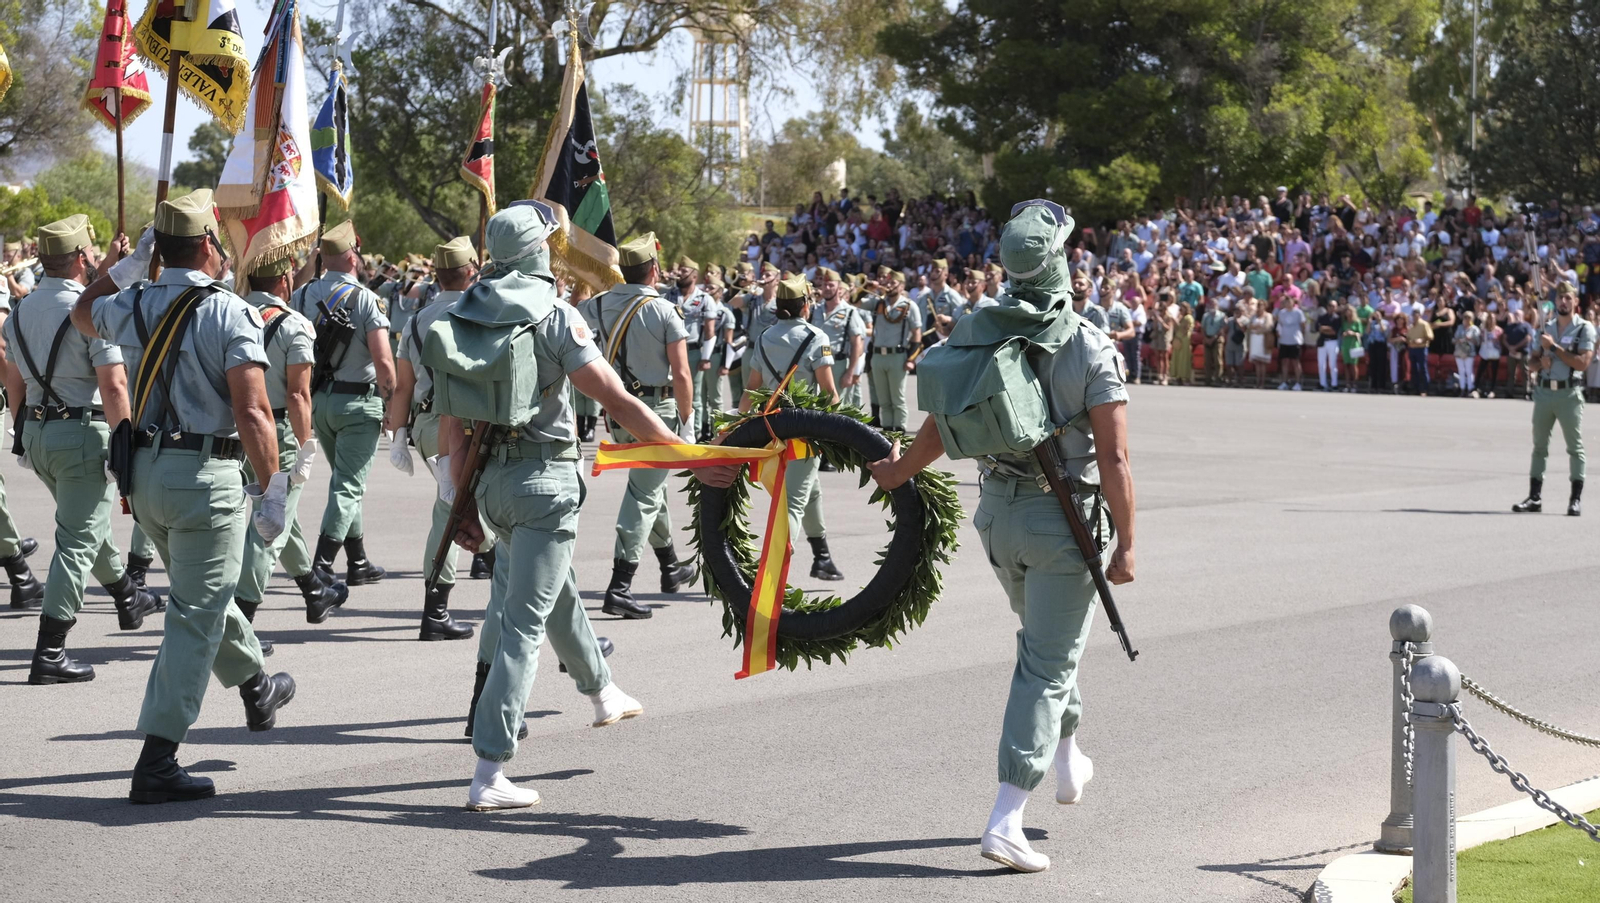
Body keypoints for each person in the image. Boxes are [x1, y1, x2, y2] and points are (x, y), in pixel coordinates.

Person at [865, 202, 1135, 873]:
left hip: (997, 519)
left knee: (1046, 644)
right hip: (1063, 524)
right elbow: (1115, 459)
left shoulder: (979, 326)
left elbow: (941, 415)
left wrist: (899, 469)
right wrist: (1128, 544)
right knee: (1044, 662)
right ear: (1064, 263)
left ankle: (1068, 756)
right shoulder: (1089, 345)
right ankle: (1007, 816)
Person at [70, 189, 295, 803]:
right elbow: (252, 412)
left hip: (146, 479)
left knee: (204, 592)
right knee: (194, 614)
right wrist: (273, 486)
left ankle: (255, 685)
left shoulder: (133, 301)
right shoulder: (230, 312)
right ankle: (158, 760)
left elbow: (82, 316)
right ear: (206, 245)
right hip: (205, 480)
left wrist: (121, 267)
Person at [430, 204, 655, 811]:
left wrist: (459, 499)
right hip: (545, 482)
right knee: (520, 626)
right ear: (539, 253)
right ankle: (489, 770)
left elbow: (454, 422)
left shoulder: (466, 310)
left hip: (491, 483)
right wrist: (681, 448)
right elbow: (615, 400)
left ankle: (601, 690)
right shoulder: (554, 314)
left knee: (549, 590)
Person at [3, 214, 161, 684]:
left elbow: (14, 380)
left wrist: (22, 435)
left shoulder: (20, 309)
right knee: (77, 537)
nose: (93, 261)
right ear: (77, 259)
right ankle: (50, 650)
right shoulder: (92, 309)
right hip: (82, 432)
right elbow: (114, 385)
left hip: (37, 431)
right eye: (90, 256)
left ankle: (127, 596)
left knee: (85, 526)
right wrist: (126, 441)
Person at [576, 232, 699, 619]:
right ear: (653, 270)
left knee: (650, 488)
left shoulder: (594, 306)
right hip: (656, 412)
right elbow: (681, 373)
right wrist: (688, 420)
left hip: (616, 412)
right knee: (644, 496)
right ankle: (620, 586)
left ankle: (669, 566)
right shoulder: (665, 311)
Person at [233, 257, 345, 653]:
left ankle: (313, 590)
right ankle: (240, 625)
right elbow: (298, 394)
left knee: (280, 513)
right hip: (278, 430)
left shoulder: (233, 314)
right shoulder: (294, 324)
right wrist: (307, 441)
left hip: (241, 427)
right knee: (270, 526)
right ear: (284, 279)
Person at [385, 236, 481, 641]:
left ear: (438, 277)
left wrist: (398, 433)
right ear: (473, 270)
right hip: (466, 426)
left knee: (466, 509)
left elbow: (403, 386)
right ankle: (435, 611)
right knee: (451, 512)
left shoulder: (417, 319)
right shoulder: (482, 312)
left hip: (426, 426)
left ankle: (484, 564)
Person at [290, 221, 394, 587]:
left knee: (344, 482)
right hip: (358, 403)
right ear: (354, 255)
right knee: (349, 485)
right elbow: (383, 361)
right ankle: (322, 563)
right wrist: (393, 404)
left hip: (319, 401)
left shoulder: (302, 297)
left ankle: (358, 560)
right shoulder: (366, 298)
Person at [742, 275, 845, 580]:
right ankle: (770, 577)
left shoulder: (764, 337)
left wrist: (738, 426)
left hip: (773, 429)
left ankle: (822, 557)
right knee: (794, 503)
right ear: (805, 305)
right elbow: (829, 393)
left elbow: (751, 389)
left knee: (809, 492)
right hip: (804, 430)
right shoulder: (816, 337)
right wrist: (840, 433)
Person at [1512, 283, 1592, 516]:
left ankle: (1575, 499)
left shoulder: (1584, 329)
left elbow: (1582, 363)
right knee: (1539, 446)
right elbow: (1531, 362)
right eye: (1560, 298)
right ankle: (1535, 497)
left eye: (1568, 298)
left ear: (1575, 302)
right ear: (1555, 302)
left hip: (1569, 394)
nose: (1563, 302)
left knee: (1575, 447)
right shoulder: (1546, 328)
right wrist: (1540, 363)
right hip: (1545, 393)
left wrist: (1554, 349)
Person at [869, 270, 921, 430]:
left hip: (897, 356)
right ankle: (887, 431)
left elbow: (917, 334)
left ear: (902, 286)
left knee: (897, 398)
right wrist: (870, 287)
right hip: (878, 356)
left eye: (893, 283)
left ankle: (899, 430)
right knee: (883, 399)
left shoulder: (909, 305)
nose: (889, 286)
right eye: (888, 282)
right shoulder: (879, 303)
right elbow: (855, 301)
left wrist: (911, 359)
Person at [808, 267, 866, 410]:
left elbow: (856, 344)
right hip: (815, 363)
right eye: (824, 285)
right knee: (816, 406)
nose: (827, 288)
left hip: (838, 364)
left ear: (839, 288)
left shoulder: (850, 312)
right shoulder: (815, 309)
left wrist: (850, 372)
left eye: (831, 285)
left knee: (837, 408)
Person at [1275, 295, 1305, 390]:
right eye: (1286, 302)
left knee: (1296, 362)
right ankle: (1284, 382)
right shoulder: (1281, 313)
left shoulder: (1298, 313)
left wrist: (1300, 337)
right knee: (1284, 362)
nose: (1288, 304)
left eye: (1289, 302)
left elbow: (1303, 326)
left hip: (1295, 340)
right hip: (1284, 341)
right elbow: (1279, 325)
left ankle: (1298, 383)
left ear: (1293, 303)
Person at [1315, 297, 1342, 391]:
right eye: (1330, 306)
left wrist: (1324, 329)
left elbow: (1334, 332)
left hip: (1332, 342)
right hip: (1322, 342)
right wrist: (1327, 329)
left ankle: (1334, 384)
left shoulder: (1337, 318)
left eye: (1333, 306)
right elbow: (1318, 328)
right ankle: (1323, 383)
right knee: (1321, 364)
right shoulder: (1322, 317)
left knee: (1333, 364)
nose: (1331, 308)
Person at [1454, 310, 1481, 397]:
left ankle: (1470, 388)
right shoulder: (1459, 327)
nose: (1467, 319)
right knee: (1461, 371)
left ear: (1472, 319)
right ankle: (1462, 389)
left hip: (1469, 352)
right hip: (1459, 352)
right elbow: (1455, 338)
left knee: (1469, 371)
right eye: (1465, 317)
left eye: (1469, 317)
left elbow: (1478, 342)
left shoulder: (1475, 329)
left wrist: (1470, 339)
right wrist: (1459, 340)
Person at [1406, 312, 1433, 395]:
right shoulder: (1411, 326)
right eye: (1413, 315)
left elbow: (1430, 336)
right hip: (1412, 348)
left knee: (1423, 368)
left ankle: (1425, 389)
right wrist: (1410, 341)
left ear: (1420, 316)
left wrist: (1421, 340)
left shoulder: (1424, 324)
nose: (1415, 317)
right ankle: (1416, 388)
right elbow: (1408, 337)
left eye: (1416, 315)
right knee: (1414, 369)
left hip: (1421, 348)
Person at [1170, 300, 1194, 385]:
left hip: (1184, 340)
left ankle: (1184, 377)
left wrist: (1175, 320)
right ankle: (1178, 377)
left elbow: (1185, 329)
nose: (1181, 310)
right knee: (1177, 359)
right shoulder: (1182, 317)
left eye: (1183, 308)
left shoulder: (1188, 317)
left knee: (1183, 359)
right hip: (1178, 339)